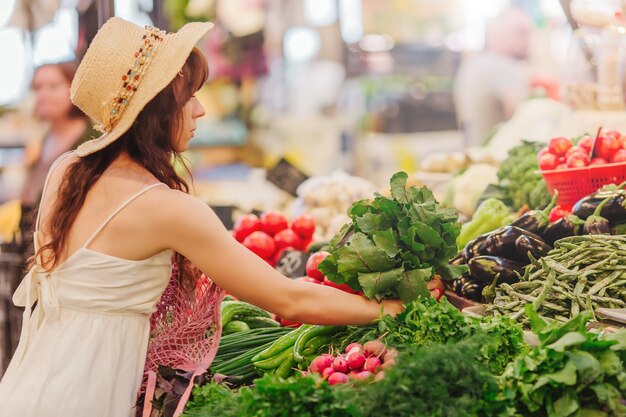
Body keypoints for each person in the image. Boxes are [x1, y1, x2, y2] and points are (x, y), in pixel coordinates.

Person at [0, 17, 403, 417]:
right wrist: (388, 309)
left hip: (31, 382)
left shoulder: (67, 169)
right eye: (188, 96)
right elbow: (288, 299)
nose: (201, 109)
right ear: (155, 109)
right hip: (88, 395)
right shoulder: (166, 208)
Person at [19, 61, 97, 257]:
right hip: (36, 248)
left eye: (53, 86)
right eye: (38, 87)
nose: (43, 95)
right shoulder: (44, 138)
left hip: (71, 251)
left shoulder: (91, 140)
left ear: (75, 88)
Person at [453, 5, 533, 147]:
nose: (528, 40)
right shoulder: (503, 65)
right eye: (521, 33)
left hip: (474, 153)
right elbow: (524, 114)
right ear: (501, 34)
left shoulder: (472, 63)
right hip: (497, 158)